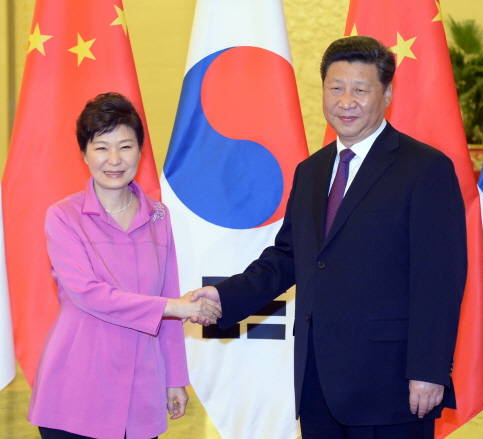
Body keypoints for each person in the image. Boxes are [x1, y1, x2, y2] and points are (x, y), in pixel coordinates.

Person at [190, 36, 467, 439]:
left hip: (390, 386)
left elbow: (439, 280)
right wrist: (224, 297)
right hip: (317, 381)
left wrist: (429, 369)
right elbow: (288, 257)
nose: (345, 101)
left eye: (360, 90)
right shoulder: (312, 171)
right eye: (335, 88)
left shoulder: (425, 168)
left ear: (387, 94)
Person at [29, 92, 221, 439]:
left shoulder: (158, 216)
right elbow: (89, 294)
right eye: (102, 147)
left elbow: (168, 293)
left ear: (140, 150)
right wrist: (174, 307)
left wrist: (175, 378)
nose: (114, 159)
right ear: (84, 153)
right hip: (76, 388)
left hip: (140, 390)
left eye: (126, 146)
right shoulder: (63, 216)